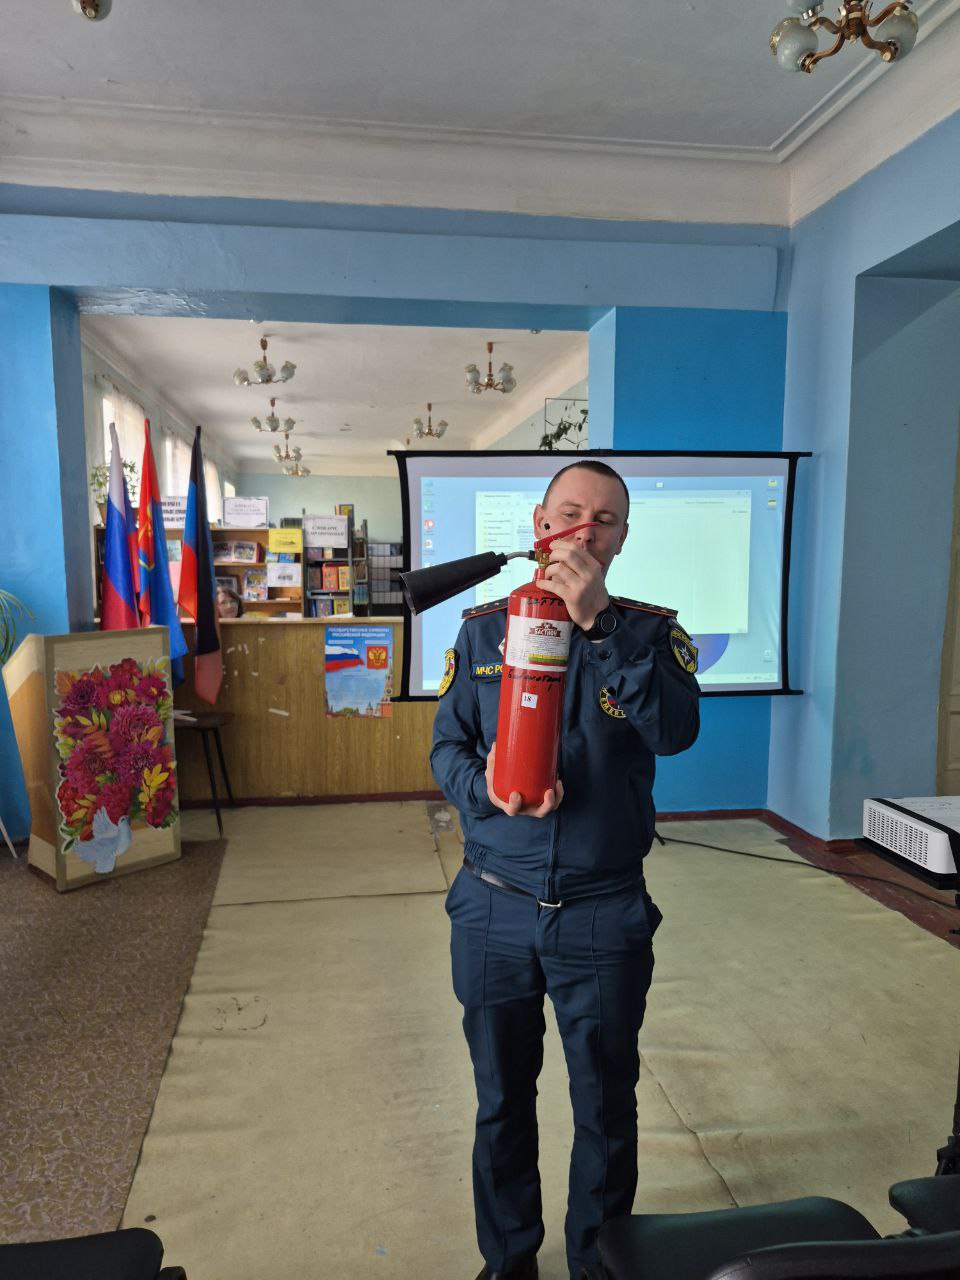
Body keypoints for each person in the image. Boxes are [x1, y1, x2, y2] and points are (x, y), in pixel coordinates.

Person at [431, 460, 700, 1280]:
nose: (585, 529)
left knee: (605, 1106)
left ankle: (598, 1264)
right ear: (540, 525)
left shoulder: (649, 634)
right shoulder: (484, 631)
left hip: (601, 912)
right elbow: (447, 748)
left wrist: (602, 627)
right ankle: (509, 1260)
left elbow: (674, 733)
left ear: (620, 540)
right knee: (500, 1100)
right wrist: (485, 791)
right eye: (571, 512)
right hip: (493, 905)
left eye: (605, 519)